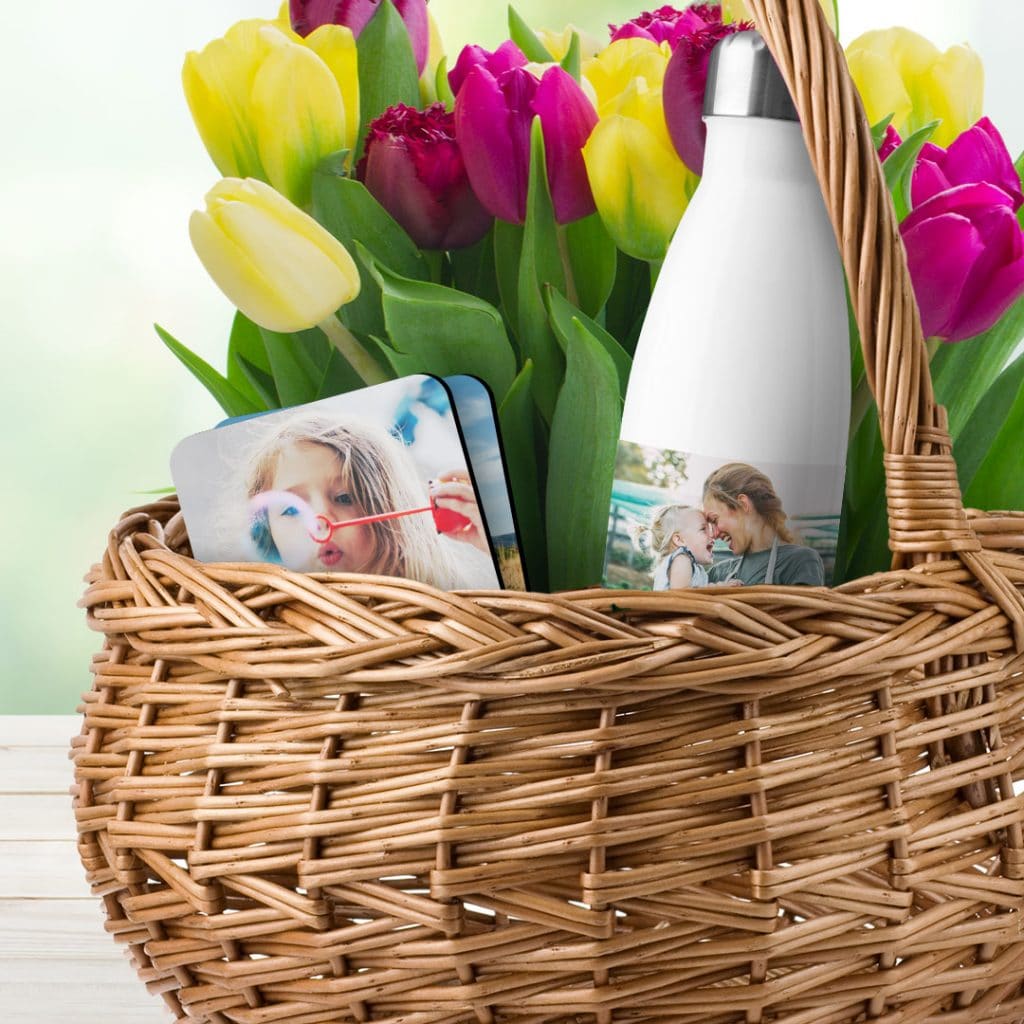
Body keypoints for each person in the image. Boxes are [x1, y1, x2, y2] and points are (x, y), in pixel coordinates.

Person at [244, 413, 498, 589]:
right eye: (291, 509)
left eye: (344, 497)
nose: (320, 521)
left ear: (390, 511)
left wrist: (496, 544)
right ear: (267, 534)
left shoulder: (444, 600)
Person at [702, 463, 824, 586]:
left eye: (715, 520)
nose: (715, 534)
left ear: (743, 504)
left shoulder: (800, 562)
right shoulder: (718, 574)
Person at [649, 505, 715, 590]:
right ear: (679, 540)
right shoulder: (681, 559)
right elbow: (681, 595)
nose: (712, 535)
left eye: (710, 530)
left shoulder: (689, 564)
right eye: (703, 529)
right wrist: (715, 588)